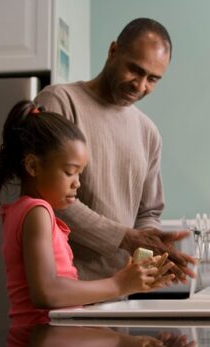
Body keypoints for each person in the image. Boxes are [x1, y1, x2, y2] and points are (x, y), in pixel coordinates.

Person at [34, 18, 196, 282]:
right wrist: (124, 238)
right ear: (113, 51)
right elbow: (47, 194)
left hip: (119, 290)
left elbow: (149, 212)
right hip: (63, 286)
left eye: (153, 79)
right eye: (135, 70)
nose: (140, 85)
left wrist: (150, 248)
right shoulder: (59, 102)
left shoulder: (148, 132)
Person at [0, 100, 174, 327]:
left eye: (80, 173)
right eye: (70, 172)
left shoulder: (24, 210)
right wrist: (119, 285)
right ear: (33, 167)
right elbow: (47, 293)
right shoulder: (38, 212)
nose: (78, 183)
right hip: (41, 339)